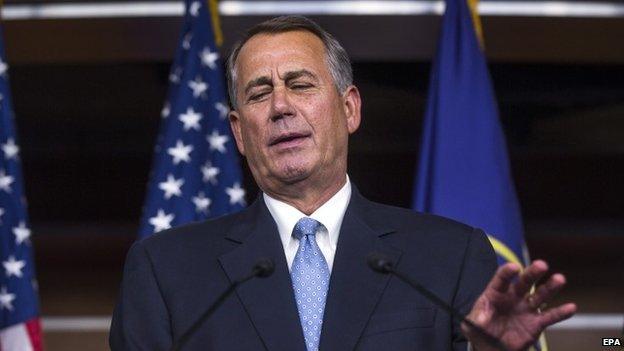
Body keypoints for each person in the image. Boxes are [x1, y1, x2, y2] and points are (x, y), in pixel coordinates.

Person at [110, 16, 576, 351]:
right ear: (238, 131)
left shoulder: (450, 257)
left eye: (301, 84)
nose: (280, 107)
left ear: (350, 108)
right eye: (259, 93)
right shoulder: (164, 269)